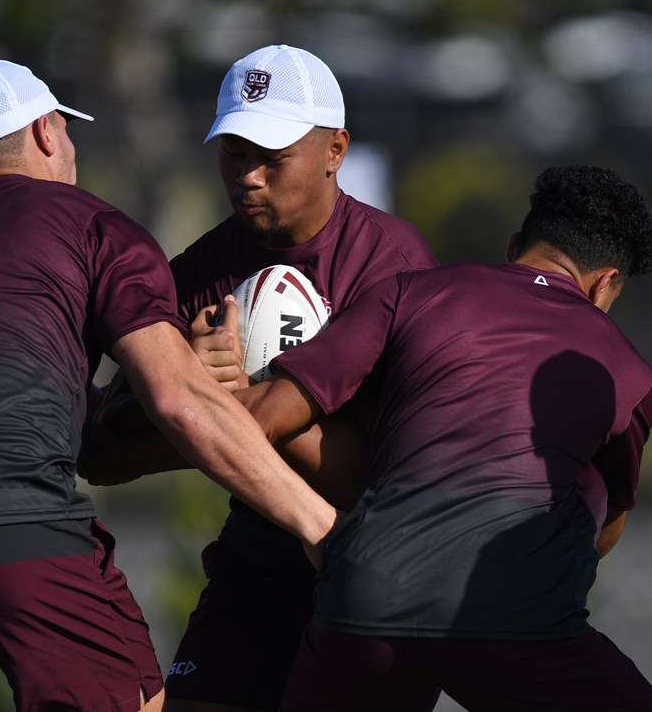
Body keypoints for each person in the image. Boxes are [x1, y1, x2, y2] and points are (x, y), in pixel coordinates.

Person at [0, 59, 337, 712]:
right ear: (45, 131)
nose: (71, 145)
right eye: (66, 128)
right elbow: (179, 401)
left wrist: (173, 365)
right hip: (10, 522)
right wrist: (319, 524)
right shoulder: (92, 224)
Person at [78, 43, 438, 712]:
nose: (248, 176)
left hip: (380, 557)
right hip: (258, 553)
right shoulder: (197, 272)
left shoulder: (395, 267)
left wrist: (230, 404)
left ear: (335, 150)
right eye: (234, 153)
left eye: (272, 157)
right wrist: (178, 391)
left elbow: (380, 476)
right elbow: (102, 455)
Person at [234, 164, 652, 711]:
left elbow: (263, 418)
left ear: (515, 245)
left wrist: (220, 384)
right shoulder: (627, 371)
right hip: (513, 621)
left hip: (364, 599)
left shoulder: (411, 291)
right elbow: (604, 529)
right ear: (605, 285)